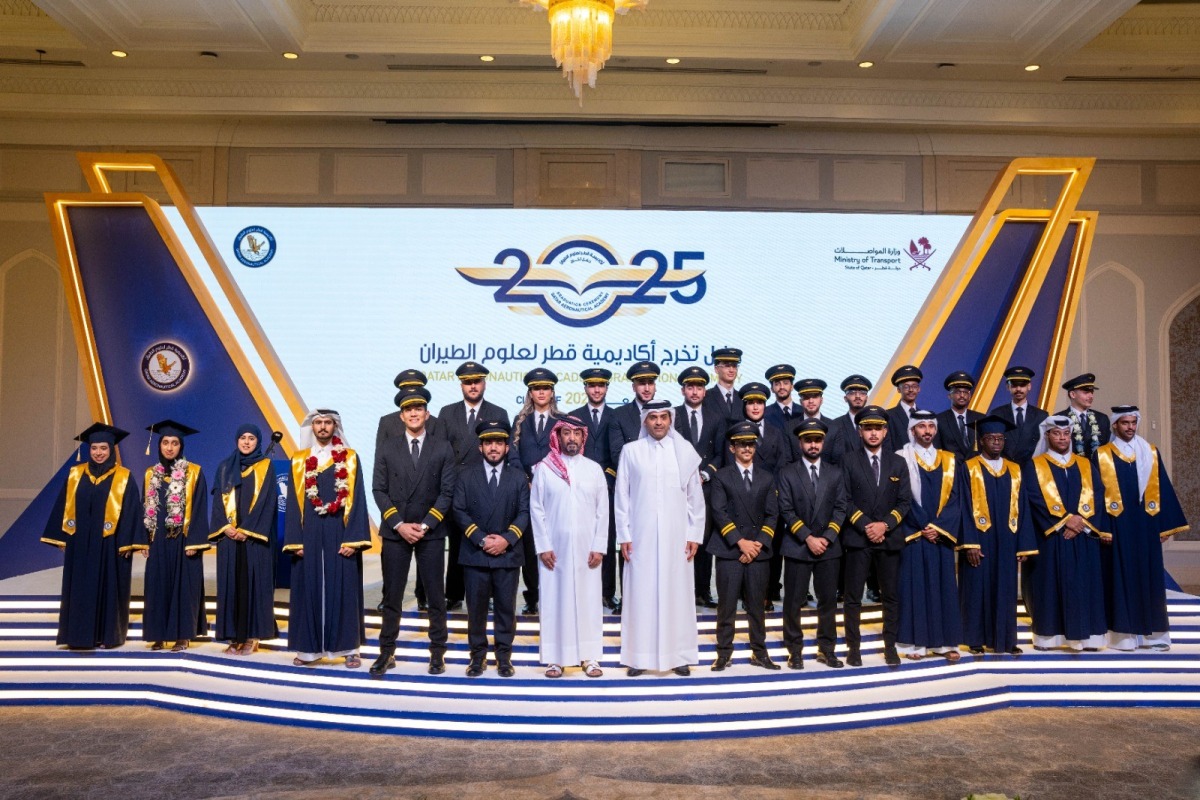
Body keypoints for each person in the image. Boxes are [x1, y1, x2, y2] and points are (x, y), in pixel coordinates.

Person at [615, 399, 705, 676]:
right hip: (640, 539)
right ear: (645, 420)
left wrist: (694, 534)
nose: (658, 422)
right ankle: (638, 657)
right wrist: (624, 536)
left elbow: (695, 498)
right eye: (652, 417)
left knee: (676, 596)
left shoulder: (685, 451)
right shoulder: (631, 451)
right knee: (640, 597)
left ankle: (678, 656)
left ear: (670, 420)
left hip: (677, 539)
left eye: (663, 417)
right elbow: (622, 497)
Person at [371, 388, 457, 677]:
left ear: (427, 413)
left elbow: (447, 492)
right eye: (409, 410)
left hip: (429, 531)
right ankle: (386, 653)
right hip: (397, 531)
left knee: (435, 596)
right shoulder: (388, 446)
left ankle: (437, 654)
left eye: (419, 408)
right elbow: (378, 490)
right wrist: (399, 524)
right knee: (393, 596)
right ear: (401, 415)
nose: (414, 413)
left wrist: (425, 525)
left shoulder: (443, 446)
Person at [1094, 405, 1189, 651]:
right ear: (1115, 425)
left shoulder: (1150, 452)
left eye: (1133, 423)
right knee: (1118, 577)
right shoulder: (1102, 454)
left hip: (1146, 526)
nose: (1130, 428)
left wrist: (1164, 527)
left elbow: (1163, 489)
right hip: (1118, 527)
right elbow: (1095, 495)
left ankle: (1154, 636)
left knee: (1150, 579)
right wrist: (1103, 528)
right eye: (1125, 423)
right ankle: (1122, 637)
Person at [42, 423, 142, 650]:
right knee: (80, 588)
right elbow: (63, 506)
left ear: (112, 450)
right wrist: (63, 536)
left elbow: (131, 511)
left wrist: (127, 543)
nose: (98, 452)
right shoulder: (75, 474)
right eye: (94, 448)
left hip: (110, 544)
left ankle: (107, 636)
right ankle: (78, 637)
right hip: (80, 544)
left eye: (103, 448)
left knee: (108, 587)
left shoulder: (124, 477)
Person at [284, 409, 370, 668]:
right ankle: (309, 650)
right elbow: (292, 504)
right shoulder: (299, 460)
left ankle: (349, 648)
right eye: (318, 423)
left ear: (335, 426)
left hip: (339, 533)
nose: (322, 427)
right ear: (312, 427)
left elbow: (358, 500)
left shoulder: (350, 459)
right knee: (308, 587)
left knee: (344, 586)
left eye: (327, 422)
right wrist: (295, 540)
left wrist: (353, 539)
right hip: (308, 533)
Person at [531, 416, 609, 678]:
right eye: (567, 433)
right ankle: (555, 658)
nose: (572, 438)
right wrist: (543, 546)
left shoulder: (593, 469)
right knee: (555, 602)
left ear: (583, 437)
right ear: (558, 436)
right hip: (555, 551)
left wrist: (599, 545)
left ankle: (590, 657)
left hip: (588, 551)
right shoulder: (544, 469)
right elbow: (536, 510)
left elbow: (603, 512)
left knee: (588, 602)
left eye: (577, 433)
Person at [1023, 416, 1109, 651]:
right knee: (1049, 586)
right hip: (1051, 539)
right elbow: (1034, 499)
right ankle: (1050, 637)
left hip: (1083, 537)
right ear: (1047, 436)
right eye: (1056, 434)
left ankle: (1088, 637)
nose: (1062, 438)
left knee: (1085, 585)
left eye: (1065, 434)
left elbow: (1097, 495)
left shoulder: (1085, 464)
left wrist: (1079, 521)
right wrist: (1064, 521)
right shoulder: (1034, 465)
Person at [453, 419, 530, 677]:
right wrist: (482, 540)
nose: (494, 448)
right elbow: (459, 511)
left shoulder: (519, 477)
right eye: (489, 443)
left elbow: (524, 512)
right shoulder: (465, 475)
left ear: (507, 447)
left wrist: (506, 539)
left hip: (507, 554)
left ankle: (504, 657)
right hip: (476, 553)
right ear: (480, 447)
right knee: (475, 610)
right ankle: (477, 658)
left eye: (499, 443)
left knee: (506, 609)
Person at [958, 415, 1038, 656]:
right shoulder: (968, 467)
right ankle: (974, 639)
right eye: (991, 438)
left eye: (1000, 439)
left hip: (1007, 539)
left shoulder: (1014, 469)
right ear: (981, 441)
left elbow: (1023, 507)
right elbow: (961, 506)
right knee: (976, 588)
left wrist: (1023, 545)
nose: (997, 443)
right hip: (979, 541)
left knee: (1005, 589)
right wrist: (969, 543)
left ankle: (1005, 639)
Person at [841, 405, 912, 667]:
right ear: (860, 431)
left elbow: (904, 502)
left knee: (891, 596)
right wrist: (868, 526)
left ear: (885, 431)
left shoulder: (898, 462)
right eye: (868, 428)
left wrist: (884, 526)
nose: (873, 433)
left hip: (889, 538)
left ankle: (890, 645)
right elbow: (845, 500)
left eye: (878, 428)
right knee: (853, 597)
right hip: (858, 539)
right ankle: (853, 648)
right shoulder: (848, 460)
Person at [776, 418, 848, 669]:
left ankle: (826, 649)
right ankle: (794, 650)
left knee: (827, 601)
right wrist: (808, 537)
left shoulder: (836, 472)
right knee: (793, 601)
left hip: (829, 548)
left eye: (817, 440)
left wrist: (826, 538)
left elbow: (841, 508)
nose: (813, 444)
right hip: (798, 545)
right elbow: (785, 509)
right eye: (808, 440)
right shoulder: (786, 472)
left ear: (823, 442)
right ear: (800, 443)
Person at [438, 361, 510, 612]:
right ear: (461, 385)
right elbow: (441, 453)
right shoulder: (447, 413)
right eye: (468, 382)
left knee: (486, 539)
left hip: (486, 485)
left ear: (484, 384)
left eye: (476, 381)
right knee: (457, 542)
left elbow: (503, 454)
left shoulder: (498, 413)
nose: (472, 386)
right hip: (456, 488)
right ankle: (454, 593)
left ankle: (487, 594)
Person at [707, 421, 780, 671]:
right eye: (741, 444)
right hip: (730, 551)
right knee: (726, 607)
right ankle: (724, 653)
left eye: (750, 444)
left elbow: (772, 515)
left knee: (757, 607)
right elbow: (719, 512)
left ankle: (759, 652)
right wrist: (741, 543)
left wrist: (757, 544)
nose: (747, 448)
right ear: (731, 448)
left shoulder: (767, 477)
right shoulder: (721, 476)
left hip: (757, 552)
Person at [895, 411, 964, 662]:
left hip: (940, 537)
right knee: (914, 586)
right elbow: (902, 498)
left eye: (930, 427)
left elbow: (957, 499)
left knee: (943, 586)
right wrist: (924, 525)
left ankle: (945, 643)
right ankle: (916, 642)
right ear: (912, 430)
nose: (926, 431)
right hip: (914, 534)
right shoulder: (900, 458)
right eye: (921, 426)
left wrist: (939, 527)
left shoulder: (950, 460)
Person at [137, 420, 211, 653]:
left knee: (184, 587)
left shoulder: (194, 472)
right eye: (166, 442)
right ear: (159, 445)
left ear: (181, 446)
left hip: (183, 539)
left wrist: (194, 542)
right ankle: (158, 634)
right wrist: (144, 539)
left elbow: (199, 508)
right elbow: (144, 506)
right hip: (158, 539)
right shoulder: (151, 474)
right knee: (157, 586)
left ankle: (182, 635)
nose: (170, 447)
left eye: (175, 443)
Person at [208, 423, 279, 656]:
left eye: (251, 438)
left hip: (253, 540)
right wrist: (226, 527)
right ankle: (234, 635)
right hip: (229, 539)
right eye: (242, 438)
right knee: (232, 585)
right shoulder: (225, 467)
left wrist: (247, 530)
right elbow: (218, 501)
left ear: (258, 441)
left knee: (254, 585)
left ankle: (253, 636)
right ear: (236, 440)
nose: (246, 442)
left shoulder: (265, 466)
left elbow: (266, 502)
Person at [567, 367, 621, 612]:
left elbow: (618, 453)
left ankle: (607, 593)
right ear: (585, 388)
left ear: (607, 388)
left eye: (601, 385)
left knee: (606, 540)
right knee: (579, 538)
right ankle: (580, 590)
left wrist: (606, 476)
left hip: (610, 486)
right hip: (579, 487)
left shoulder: (616, 416)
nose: (596, 390)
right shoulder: (573, 416)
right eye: (592, 385)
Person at [736, 381, 793, 608]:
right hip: (743, 499)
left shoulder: (777, 433)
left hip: (770, 499)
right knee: (744, 546)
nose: (756, 407)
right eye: (751, 403)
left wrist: (774, 494)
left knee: (772, 547)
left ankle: (768, 592)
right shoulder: (736, 431)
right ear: (745, 407)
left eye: (760, 402)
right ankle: (746, 594)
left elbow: (784, 464)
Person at [674, 365, 725, 609]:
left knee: (703, 541)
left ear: (705, 391)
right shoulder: (671, 416)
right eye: (690, 387)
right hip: (678, 488)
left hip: (705, 487)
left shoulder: (716, 417)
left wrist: (706, 473)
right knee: (679, 540)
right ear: (683, 390)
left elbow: (720, 454)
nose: (695, 392)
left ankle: (703, 591)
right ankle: (681, 592)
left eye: (699, 387)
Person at [511, 367, 561, 614]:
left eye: (545, 388)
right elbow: (513, 455)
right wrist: (524, 479)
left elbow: (567, 455)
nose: (541, 392)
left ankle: (555, 595)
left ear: (552, 392)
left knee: (556, 543)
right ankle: (532, 597)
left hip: (555, 492)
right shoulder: (520, 421)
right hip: (528, 492)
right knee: (530, 546)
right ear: (530, 393)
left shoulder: (563, 420)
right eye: (536, 389)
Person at [988, 365, 1048, 465]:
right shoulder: (997, 414)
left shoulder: (1041, 416)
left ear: (1029, 386)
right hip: (1004, 468)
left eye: (1022, 385)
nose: (1018, 389)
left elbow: (1044, 448)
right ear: (1008, 387)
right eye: (1014, 385)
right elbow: (992, 445)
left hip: (1032, 468)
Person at [608, 360, 660, 470]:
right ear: (633, 387)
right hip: (633, 480)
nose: (647, 388)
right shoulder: (618, 415)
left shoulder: (667, 414)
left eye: (650, 383)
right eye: (641, 383)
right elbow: (618, 456)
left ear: (655, 386)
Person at [1056, 373, 1110, 458]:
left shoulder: (1102, 419)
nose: (1091, 396)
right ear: (1072, 394)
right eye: (1086, 392)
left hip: (1096, 469)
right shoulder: (1059, 418)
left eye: (1092, 392)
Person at [934, 371, 983, 460]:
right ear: (949, 396)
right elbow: (937, 452)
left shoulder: (980, 419)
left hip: (977, 471)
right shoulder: (939, 420)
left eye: (965, 392)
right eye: (957, 392)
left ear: (970, 396)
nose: (962, 396)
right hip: (951, 471)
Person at [825, 374, 872, 466]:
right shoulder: (834, 425)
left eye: (862, 392)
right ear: (845, 398)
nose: (858, 396)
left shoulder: (877, 425)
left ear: (867, 397)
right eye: (852, 392)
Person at [885, 365, 923, 454]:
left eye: (914, 386)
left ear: (918, 389)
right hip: (899, 465)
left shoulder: (925, 416)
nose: (910, 390)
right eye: (906, 387)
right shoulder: (888, 416)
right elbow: (887, 448)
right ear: (898, 389)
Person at [707, 347, 745, 424]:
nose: (731, 370)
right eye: (727, 366)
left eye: (734, 366)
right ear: (716, 369)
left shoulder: (743, 399)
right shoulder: (706, 397)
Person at [762, 363, 798, 432]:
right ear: (772, 389)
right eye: (777, 384)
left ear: (792, 386)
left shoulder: (802, 411)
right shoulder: (765, 413)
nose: (782, 387)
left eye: (785, 383)